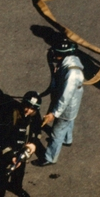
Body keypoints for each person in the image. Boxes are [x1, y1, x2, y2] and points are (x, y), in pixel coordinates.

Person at [33, 39, 84, 167]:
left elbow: (64, 98)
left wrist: (53, 114)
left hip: (65, 107)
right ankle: (67, 140)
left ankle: (50, 158)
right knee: (69, 121)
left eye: (57, 54)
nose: (55, 56)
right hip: (73, 104)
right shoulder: (71, 61)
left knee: (57, 132)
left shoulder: (72, 74)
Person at [0, 91, 42, 197]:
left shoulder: (35, 115)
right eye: (27, 106)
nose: (29, 110)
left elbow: (37, 131)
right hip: (8, 152)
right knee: (2, 178)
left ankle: (16, 188)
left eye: (32, 108)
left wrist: (33, 143)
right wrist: (11, 156)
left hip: (22, 151)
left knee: (19, 174)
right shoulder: (10, 114)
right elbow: (2, 138)